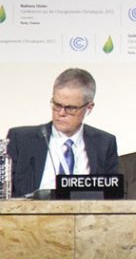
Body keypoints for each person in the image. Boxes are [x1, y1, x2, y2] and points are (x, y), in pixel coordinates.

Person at [4, 68, 119, 197]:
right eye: (57, 105)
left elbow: (111, 196)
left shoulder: (104, 143)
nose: (61, 113)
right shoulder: (21, 139)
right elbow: (5, 195)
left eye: (70, 108)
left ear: (89, 108)